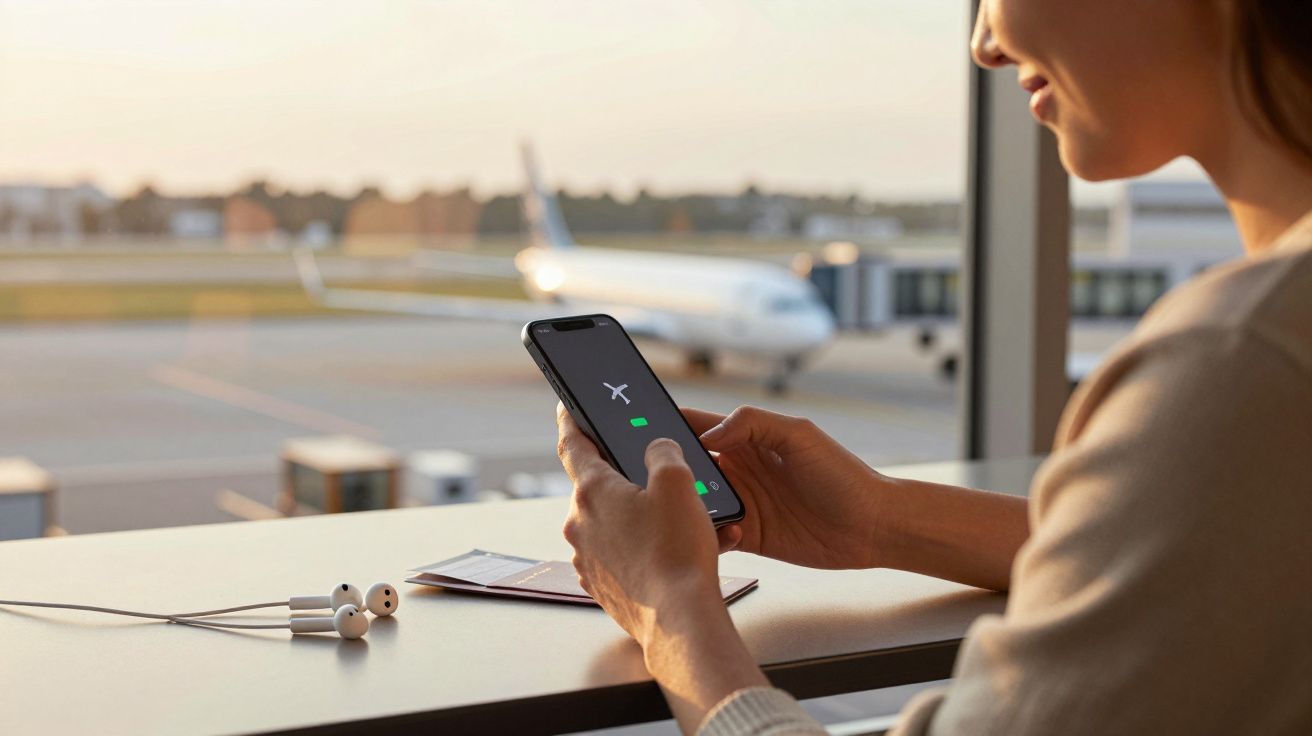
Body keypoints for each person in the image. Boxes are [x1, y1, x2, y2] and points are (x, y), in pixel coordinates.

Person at [555, 0, 1312, 733]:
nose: (985, 43)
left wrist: (669, 605)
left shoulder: (1245, 358)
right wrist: (882, 520)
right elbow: (1222, 554)